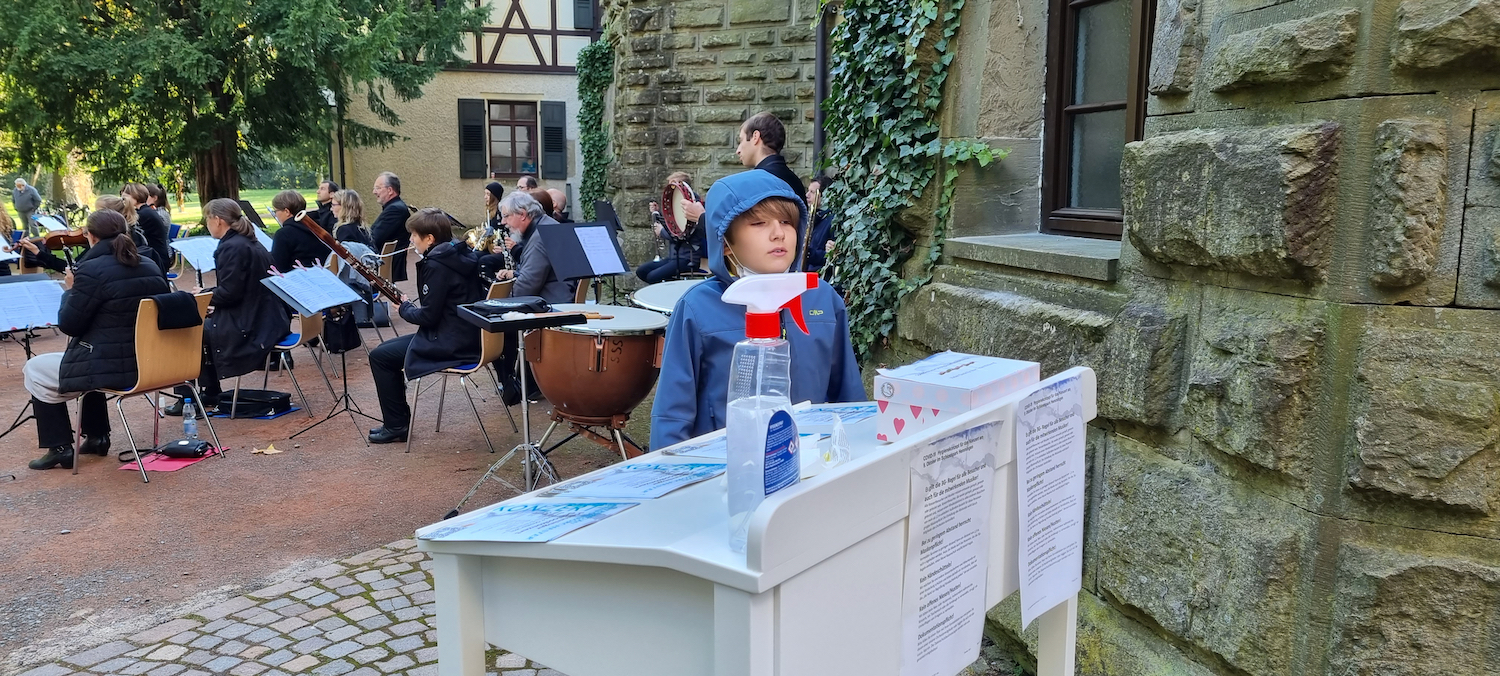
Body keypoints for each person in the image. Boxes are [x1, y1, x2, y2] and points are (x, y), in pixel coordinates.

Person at [649, 170, 863, 450]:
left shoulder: (822, 298)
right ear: (725, 242)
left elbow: (848, 396)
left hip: (812, 460)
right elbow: (672, 415)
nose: (778, 234)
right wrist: (671, 471)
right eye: (759, 223)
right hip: (725, 465)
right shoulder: (697, 308)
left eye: (787, 222)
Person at [22, 210, 170, 469]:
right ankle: (96, 437)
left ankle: (60, 446)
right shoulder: (149, 264)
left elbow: (70, 325)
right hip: (152, 363)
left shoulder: (90, 270)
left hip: (115, 369)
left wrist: (70, 291)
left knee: (34, 368)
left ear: (90, 237)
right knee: (91, 353)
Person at [366, 208, 484, 443]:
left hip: (451, 343)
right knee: (384, 351)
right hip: (469, 335)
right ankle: (396, 422)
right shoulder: (460, 254)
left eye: (414, 235)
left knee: (380, 357)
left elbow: (428, 317)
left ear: (429, 238)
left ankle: (396, 425)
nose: (410, 240)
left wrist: (405, 309)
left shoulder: (436, 265)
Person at [167, 199, 291, 416]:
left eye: (207, 219)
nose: (207, 224)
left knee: (184, 331)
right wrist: (210, 296)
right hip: (264, 318)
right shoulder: (248, 242)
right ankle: (209, 390)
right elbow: (240, 289)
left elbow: (230, 293)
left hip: (250, 325)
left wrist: (205, 295)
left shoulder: (232, 247)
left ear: (218, 220)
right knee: (202, 327)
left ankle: (188, 399)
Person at [636, 172, 707, 284]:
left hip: (687, 259)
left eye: (672, 184)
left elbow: (681, 235)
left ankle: (669, 289)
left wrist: (661, 232)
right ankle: (669, 285)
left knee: (652, 277)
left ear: (681, 184)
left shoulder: (692, 205)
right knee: (642, 271)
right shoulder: (678, 203)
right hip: (674, 257)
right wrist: (657, 213)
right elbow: (672, 225)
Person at [736, 112, 805, 200]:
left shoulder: (754, 183)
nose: (738, 151)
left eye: (741, 140)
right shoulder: (796, 182)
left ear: (755, 137)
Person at [269, 190, 326, 272]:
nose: (275, 215)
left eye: (275, 211)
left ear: (287, 211)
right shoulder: (317, 224)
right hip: (325, 273)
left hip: (300, 276)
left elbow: (278, 267)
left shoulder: (284, 234)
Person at [369, 171, 411, 282]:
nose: (374, 192)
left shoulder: (395, 209)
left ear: (390, 190)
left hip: (385, 264)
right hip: (384, 262)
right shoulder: (394, 207)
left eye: (378, 188)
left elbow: (374, 238)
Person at [121, 183, 171, 271]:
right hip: (154, 257)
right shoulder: (145, 211)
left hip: (156, 260)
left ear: (136, 196)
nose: (123, 201)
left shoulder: (143, 215)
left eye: (125, 198)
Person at [475, 182, 510, 280]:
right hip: (491, 248)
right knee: (472, 255)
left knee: (482, 259)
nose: (485, 197)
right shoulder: (490, 212)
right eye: (485, 194)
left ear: (494, 196)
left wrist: (503, 248)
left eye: (488, 194)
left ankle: (491, 283)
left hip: (499, 249)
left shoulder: (500, 213)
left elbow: (504, 233)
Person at [803, 175, 837, 274]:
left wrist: (807, 253)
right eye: (808, 191)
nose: (807, 195)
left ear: (824, 195)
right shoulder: (811, 217)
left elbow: (830, 256)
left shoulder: (832, 220)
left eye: (812, 192)